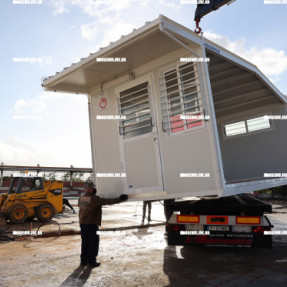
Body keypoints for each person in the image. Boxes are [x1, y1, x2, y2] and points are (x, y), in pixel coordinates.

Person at [78, 182, 128, 268]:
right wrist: (120, 199)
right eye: (93, 188)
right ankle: (91, 261)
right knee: (93, 242)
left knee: (85, 242)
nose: (94, 189)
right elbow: (106, 201)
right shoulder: (94, 198)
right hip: (91, 224)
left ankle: (84, 261)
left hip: (83, 224)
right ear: (89, 189)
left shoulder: (81, 198)